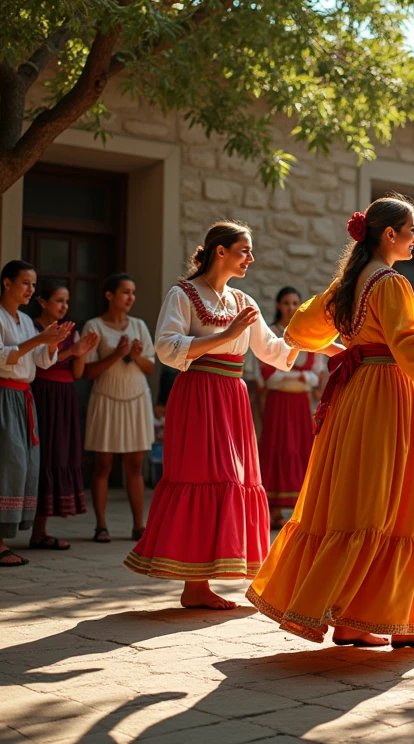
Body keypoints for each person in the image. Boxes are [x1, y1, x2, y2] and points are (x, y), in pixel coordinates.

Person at [247, 196, 414, 646]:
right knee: (399, 499)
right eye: (412, 229)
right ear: (390, 235)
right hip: (387, 393)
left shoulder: (349, 283)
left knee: (358, 498)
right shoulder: (390, 282)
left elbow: (299, 329)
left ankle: (352, 621)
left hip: (354, 395)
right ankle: (401, 623)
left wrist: (345, 349)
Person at [125, 221, 309, 611]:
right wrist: (224, 337)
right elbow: (167, 348)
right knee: (208, 476)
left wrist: (316, 342)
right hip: (198, 394)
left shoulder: (244, 302)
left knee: (233, 480)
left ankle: (202, 580)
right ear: (219, 251)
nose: (251, 258)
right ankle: (195, 585)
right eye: (244, 250)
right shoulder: (184, 294)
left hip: (232, 396)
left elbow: (273, 351)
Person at [0, 261, 73, 566]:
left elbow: (42, 361)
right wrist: (40, 339)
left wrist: (52, 344)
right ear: (7, 283)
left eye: (33, 285)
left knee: (24, 465)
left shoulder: (23, 320)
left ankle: (0, 539)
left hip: (24, 397)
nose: (30, 290)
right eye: (25, 283)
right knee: (4, 464)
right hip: (1, 395)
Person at [83, 274, 155, 544]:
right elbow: (87, 371)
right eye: (125, 292)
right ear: (109, 295)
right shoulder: (94, 326)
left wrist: (135, 356)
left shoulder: (139, 326)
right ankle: (101, 525)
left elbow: (149, 367)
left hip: (136, 396)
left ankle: (139, 525)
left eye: (133, 293)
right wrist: (115, 354)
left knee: (135, 464)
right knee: (103, 464)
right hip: (106, 397)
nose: (130, 298)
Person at [30, 282, 98, 550]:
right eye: (58, 300)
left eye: (67, 302)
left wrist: (82, 352)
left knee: (58, 454)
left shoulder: (71, 330)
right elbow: (35, 362)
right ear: (43, 302)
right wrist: (71, 351)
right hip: (41, 393)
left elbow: (78, 373)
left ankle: (40, 531)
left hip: (65, 396)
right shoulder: (31, 328)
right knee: (42, 455)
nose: (64, 307)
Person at [258, 286, 325, 529]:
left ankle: (300, 512)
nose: (291, 307)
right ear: (278, 305)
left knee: (301, 451)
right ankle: (273, 511)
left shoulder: (307, 337)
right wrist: (298, 377)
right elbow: (269, 376)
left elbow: (315, 375)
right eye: (286, 302)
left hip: (300, 405)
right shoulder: (271, 335)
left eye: (295, 303)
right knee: (277, 449)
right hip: (278, 403)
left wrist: (292, 375)